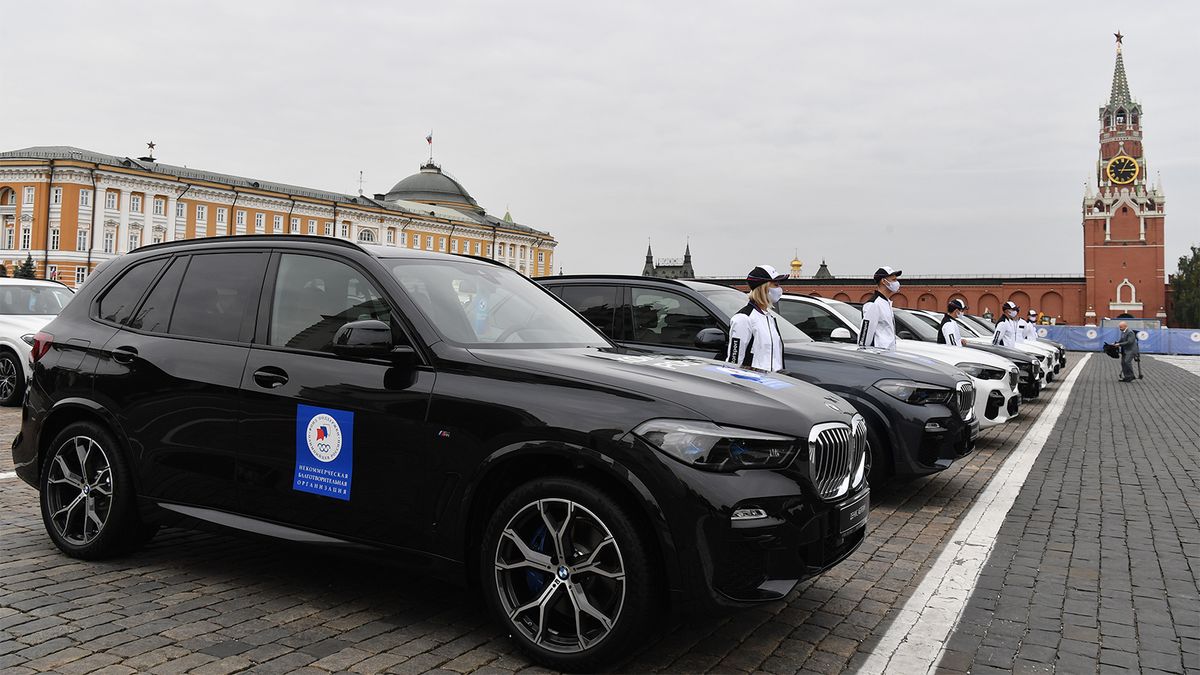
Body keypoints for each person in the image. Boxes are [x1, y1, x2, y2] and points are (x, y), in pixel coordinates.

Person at [726, 264, 788, 372]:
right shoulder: (743, 318)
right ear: (763, 288)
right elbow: (734, 363)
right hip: (755, 385)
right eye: (776, 284)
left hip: (775, 383)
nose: (779, 289)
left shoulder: (770, 317)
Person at [859, 266, 902, 351]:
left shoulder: (886, 303)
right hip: (879, 356)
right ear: (883, 281)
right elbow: (865, 335)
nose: (896, 283)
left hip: (889, 354)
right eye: (893, 280)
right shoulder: (873, 304)